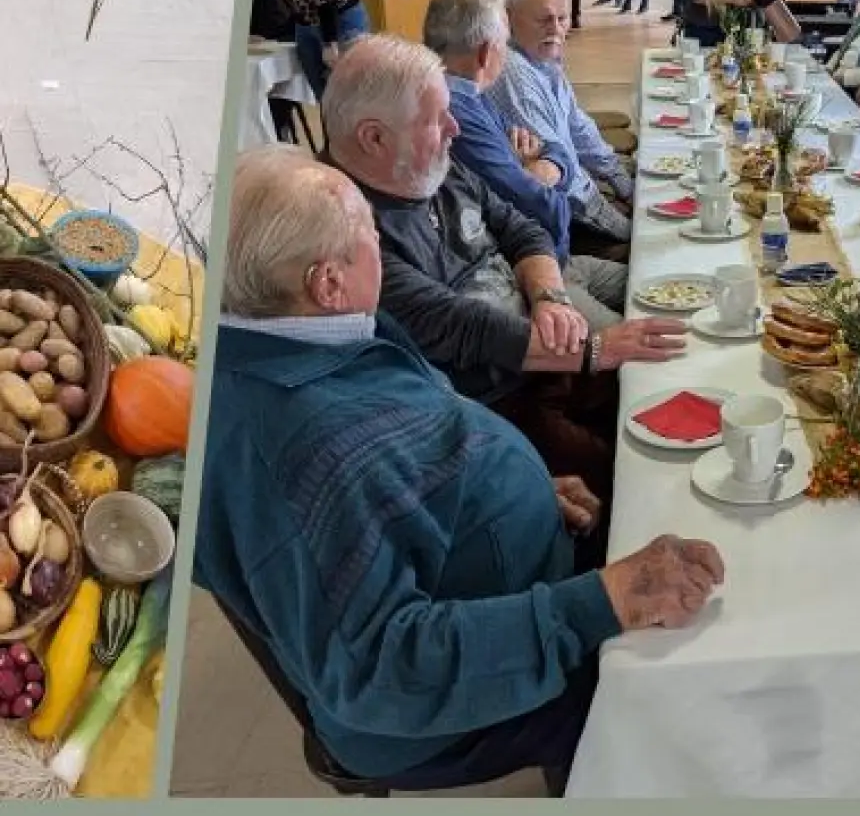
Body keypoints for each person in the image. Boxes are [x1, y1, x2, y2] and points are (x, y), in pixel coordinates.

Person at [197, 143, 726, 791]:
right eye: (369, 233)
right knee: (679, 688)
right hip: (427, 712)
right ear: (327, 281)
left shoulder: (307, 331)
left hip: (499, 574)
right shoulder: (301, 446)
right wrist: (600, 603)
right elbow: (380, 671)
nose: (385, 250)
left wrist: (512, 496)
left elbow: (412, 463)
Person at [318, 34, 682, 495]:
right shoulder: (342, 225)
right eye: (435, 118)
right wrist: (593, 350)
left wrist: (549, 298)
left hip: (547, 354)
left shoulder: (432, 166)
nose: (454, 128)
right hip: (497, 403)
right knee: (639, 475)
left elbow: (524, 229)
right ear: (374, 137)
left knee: (667, 380)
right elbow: (456, 325)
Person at [421, 0, 628, 328]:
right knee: (638, 341)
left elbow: (554, 148)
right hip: (526, 276)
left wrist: (542, 168)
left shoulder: (473, 94)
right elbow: (541, 208)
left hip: (550, 258)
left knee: (658, 285)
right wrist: (539, 172)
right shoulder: (456, 114)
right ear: (487, 53)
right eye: (505, 44)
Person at [488, 0, 636, 268]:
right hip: (558, 225)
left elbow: (579, 127)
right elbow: (566, 182)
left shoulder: (542, 54)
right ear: (510, 16)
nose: (556, 29)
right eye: (543, 19)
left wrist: (622, 182)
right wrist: (624, 226)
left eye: (563, 18)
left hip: (577, 201)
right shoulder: (514, 73)